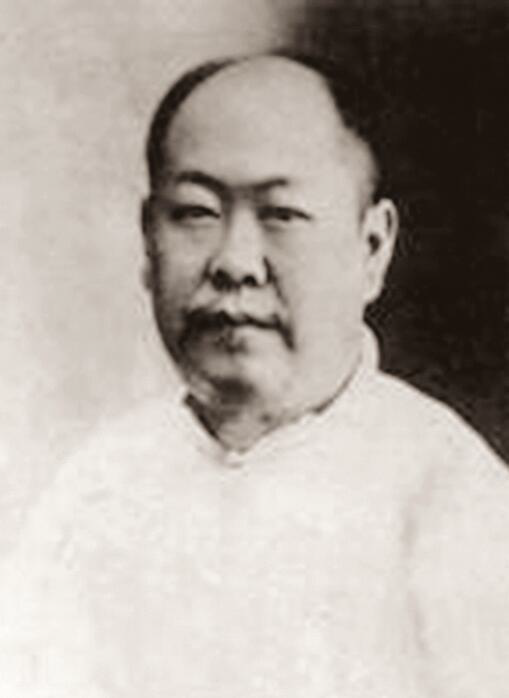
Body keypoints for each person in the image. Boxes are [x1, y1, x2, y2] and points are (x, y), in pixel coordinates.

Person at [1, 51, 508, 698]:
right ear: (148, 242)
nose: (235, 263)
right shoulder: (92, 489)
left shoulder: (454, 503)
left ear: (371, 247)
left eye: (281, 215)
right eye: (196, 212)